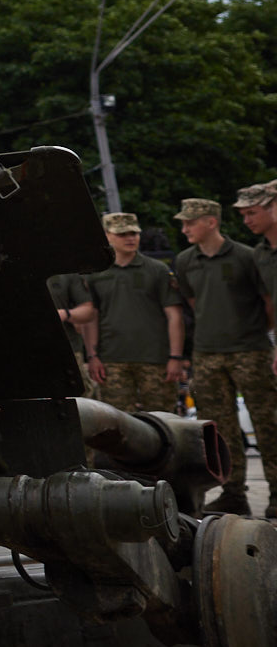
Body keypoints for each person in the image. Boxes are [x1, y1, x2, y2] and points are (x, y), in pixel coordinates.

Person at [173, 197, 277, 517]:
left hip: (251, 350)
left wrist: (253, 331)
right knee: (220, 430)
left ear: (211, 222)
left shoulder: (248, 256)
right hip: (207, 354)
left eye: (190, 222)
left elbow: (269, 302)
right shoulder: (185, 260)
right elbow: (192, 302)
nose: (185, 228)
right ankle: (233, 494)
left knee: (267, 424)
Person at [65, 214, 186, 418]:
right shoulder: (96, 274)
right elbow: (91, 317)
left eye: (133, 233)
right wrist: (92, 356)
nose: (130, 238)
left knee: (163, 419)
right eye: (122, 234)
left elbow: (175, 315)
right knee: (119, 424)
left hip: (155, 360)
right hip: (112, 360)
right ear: (107, 236)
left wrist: (175, 356)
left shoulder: (157, 270)